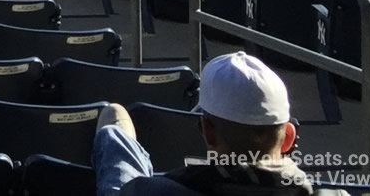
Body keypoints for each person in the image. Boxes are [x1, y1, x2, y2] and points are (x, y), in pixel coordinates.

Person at [92, 50, 346, 194]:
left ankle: (114, 135)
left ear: (208, 131)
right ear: (288, 137)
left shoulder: (156, 192)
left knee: (115, 139)